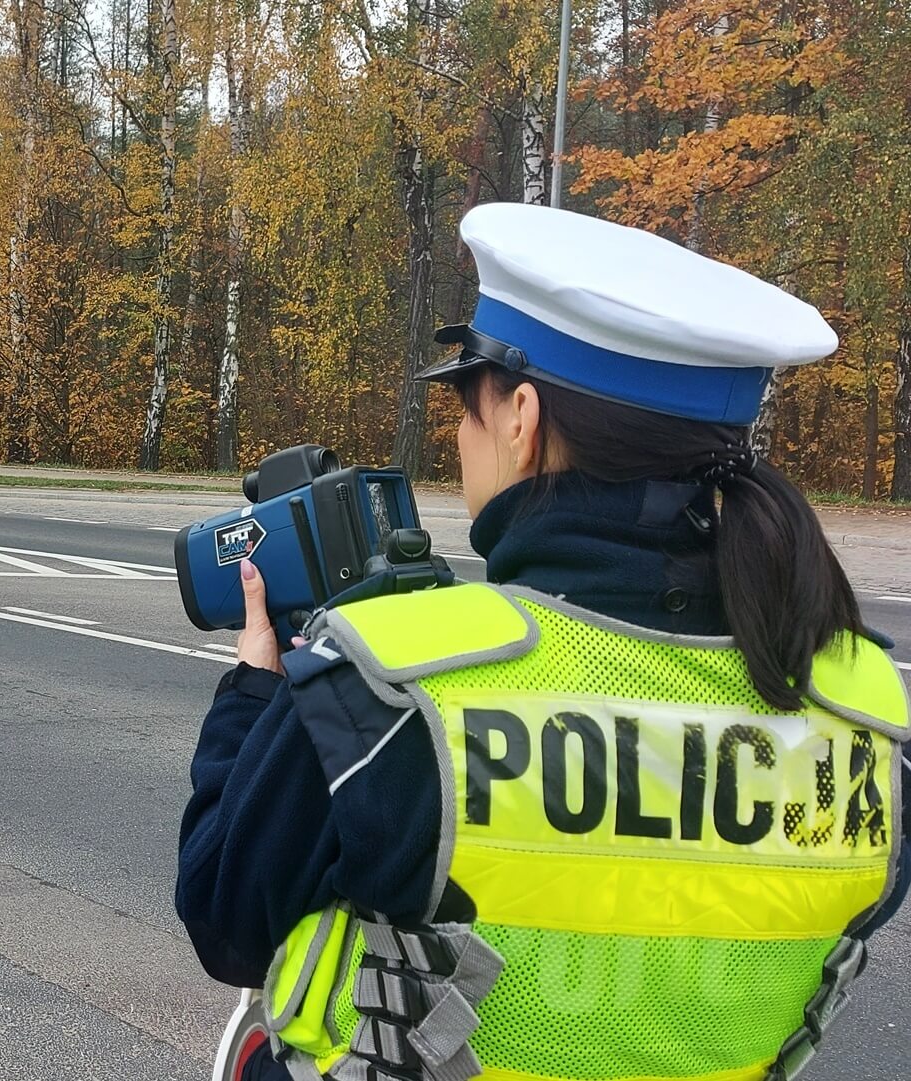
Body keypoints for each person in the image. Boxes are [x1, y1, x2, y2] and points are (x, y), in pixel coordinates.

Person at [177, 202, 911, 1081]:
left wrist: (259, 692)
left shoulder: (397, 686)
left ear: (521, 416)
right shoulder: (865, 709)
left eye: (465, 407)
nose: (459, 437)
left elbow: (227, 921)